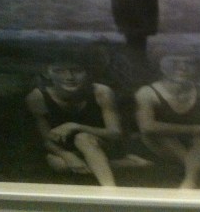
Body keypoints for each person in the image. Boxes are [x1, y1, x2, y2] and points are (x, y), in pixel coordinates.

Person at [26, 55, 151, 186]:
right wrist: (68, 156)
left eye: (77, 70)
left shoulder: (101, 91)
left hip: (101, 144)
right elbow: (47, 139)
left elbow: (115, 133)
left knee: (83, 138)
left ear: (87, 72)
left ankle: (110, 189)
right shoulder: (37, 97)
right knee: (59, 164)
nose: (69, 77)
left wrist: (75, 126)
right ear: (47, 73)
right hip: (69, 148)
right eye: (59, 71)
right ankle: (129, 163)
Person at [135, 55, 200, 189]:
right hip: (160, 143)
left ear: (196, 68)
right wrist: (196, 129)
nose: (182, 67)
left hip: (198, 145)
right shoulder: (146, 93)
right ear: (162, 67)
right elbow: (147, 127)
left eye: (189, 63)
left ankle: (189, 184)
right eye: (174, 62)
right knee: (164, 136)